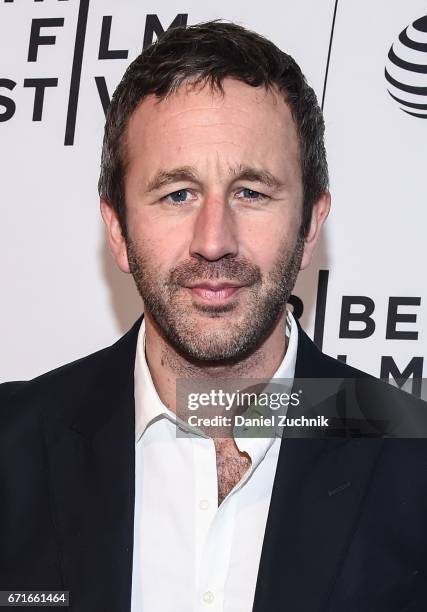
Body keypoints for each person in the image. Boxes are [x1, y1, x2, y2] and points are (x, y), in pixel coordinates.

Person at [1, 20, 427, 612]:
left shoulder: (413, 461)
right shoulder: (11, 447)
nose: (214, 241)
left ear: (310, 226)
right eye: (177, 193)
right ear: (119, 230)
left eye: (252, 192)